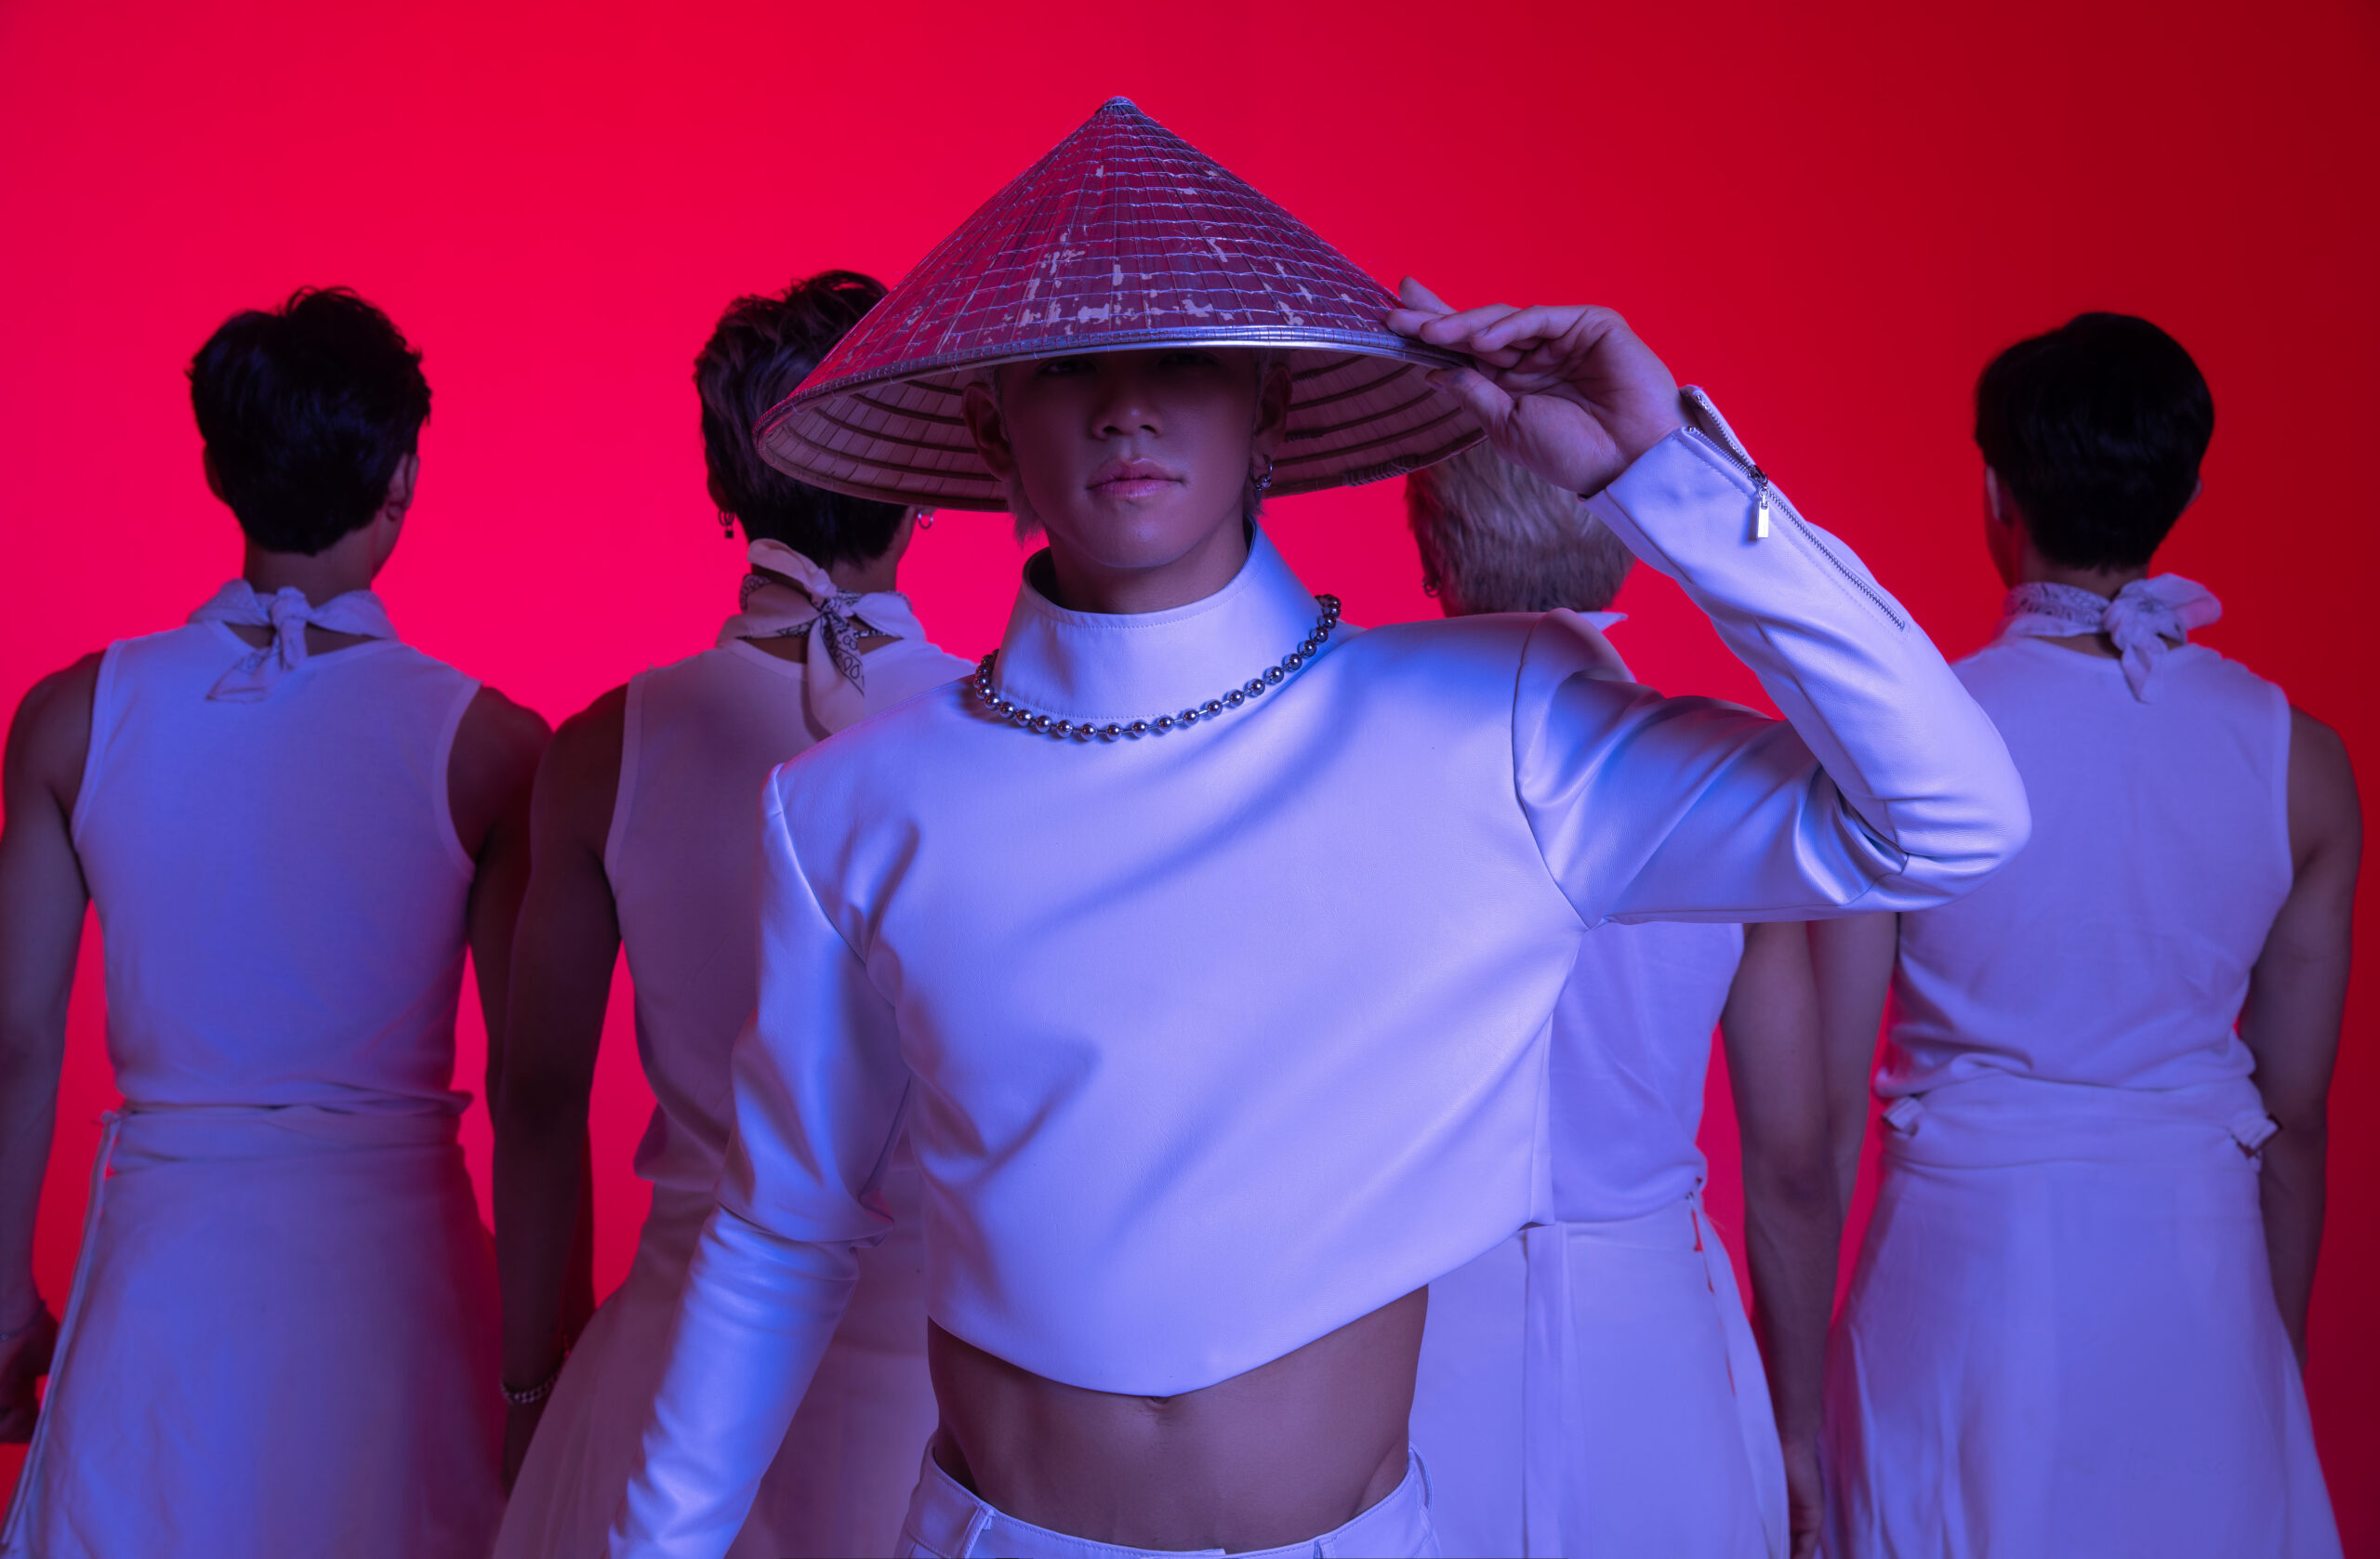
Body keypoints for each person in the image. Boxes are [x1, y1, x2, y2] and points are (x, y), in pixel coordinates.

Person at [610, 97, 2029, 1559]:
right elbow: (781, 1231)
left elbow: (1947, 817)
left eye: (1184, 355)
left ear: (1271, 407)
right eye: (1072, 363)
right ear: (991, 426)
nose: (1127, 406)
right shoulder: (852, 800)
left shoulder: (1495, 720)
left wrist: (1662, 472)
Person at [0, 287, 547, 1556]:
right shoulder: (491, 746)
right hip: (405, 1298)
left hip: (161, 1287)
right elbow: (533, 1089)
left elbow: (17, 1038)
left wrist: (3, 1305)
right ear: (402, 478)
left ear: (217, 470)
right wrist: (537, 1365)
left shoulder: (70, 716)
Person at [1816, 313, 2352, 1558]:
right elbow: (2296, 1115)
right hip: (2198, 1277)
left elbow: (1824, 1123)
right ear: (2188, 490)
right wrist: (2267, 1356)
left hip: (1959, 1281)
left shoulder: (1901, 745)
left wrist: (1790, 1396)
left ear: (1996, 492)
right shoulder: (2304, 764)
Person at [494, 270, 967, 1559]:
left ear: (724, 489)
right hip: (935, 1381)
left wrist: (528, 1389)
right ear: (923, 474)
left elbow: (536, 1101)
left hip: (672, 1362)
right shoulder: (1011, 731)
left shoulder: (601, 749)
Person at [1402, 444, 1837, 1559]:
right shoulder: (1729, 777)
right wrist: (1795, 1429)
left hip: (1413, 1334)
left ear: (1430, 556)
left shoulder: (1355, 777)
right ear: (1629, 546)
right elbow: (1791, 1164)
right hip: (1654, 1327)